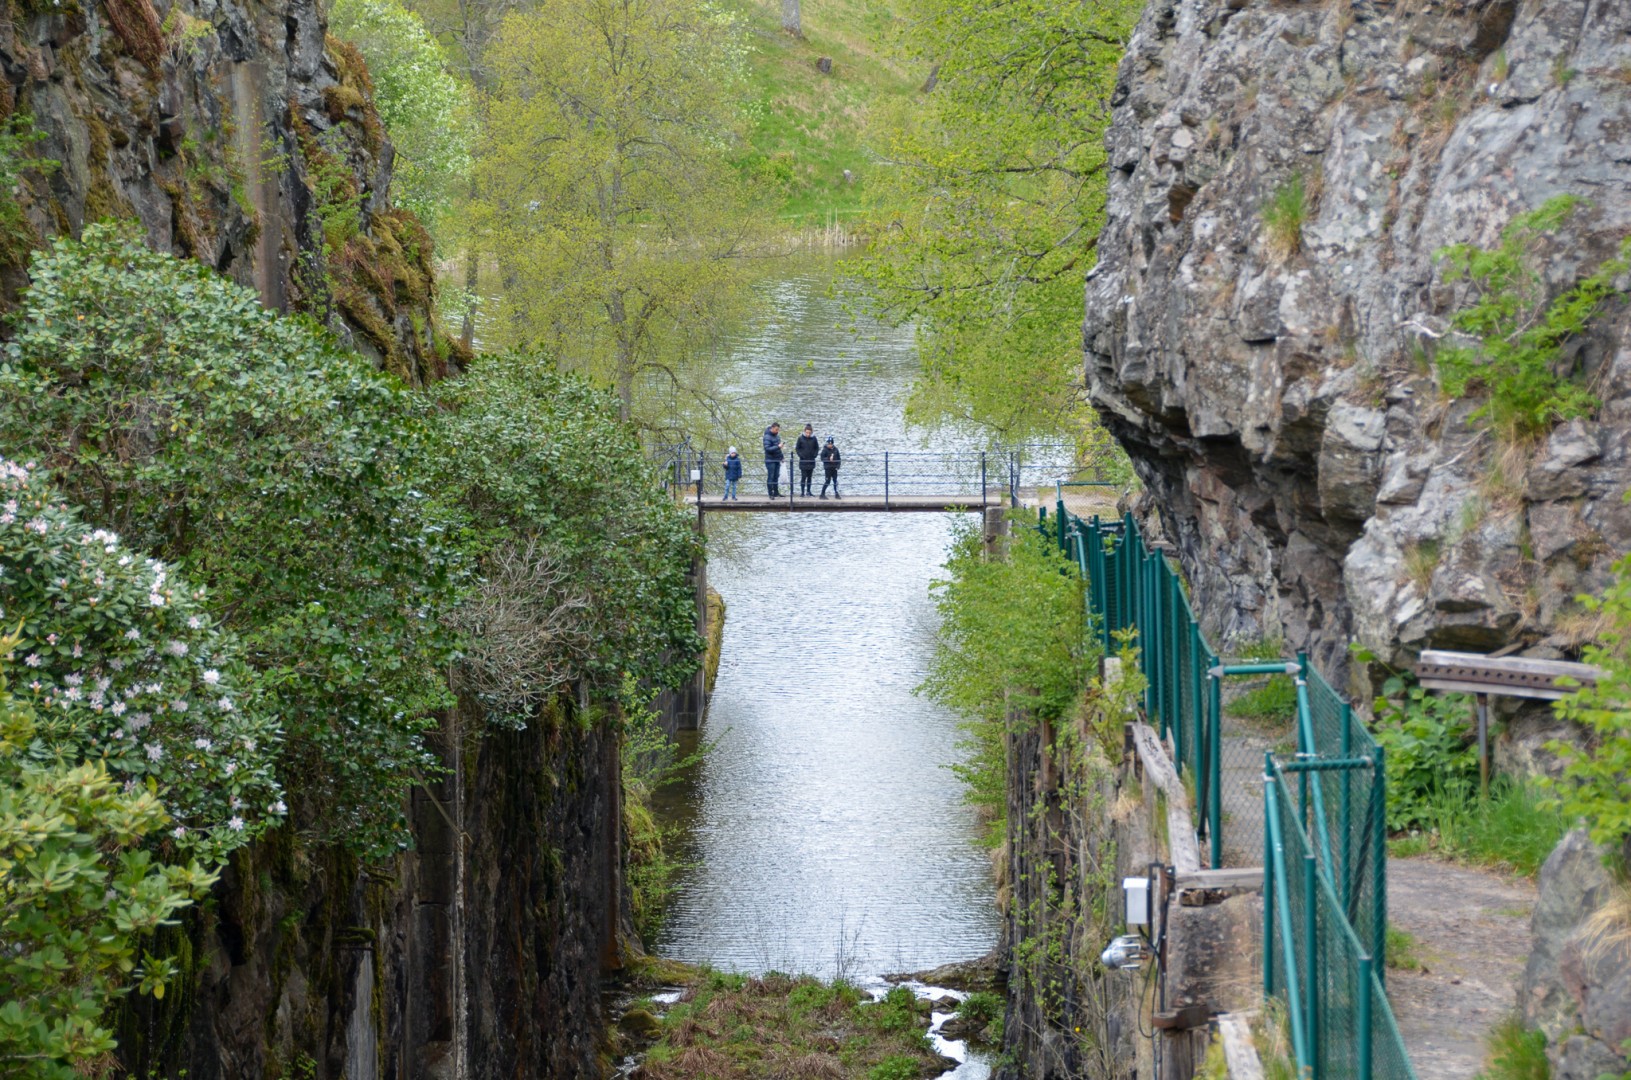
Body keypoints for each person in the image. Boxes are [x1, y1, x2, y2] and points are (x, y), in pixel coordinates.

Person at [794, 424, 820, 497]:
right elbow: (797, 448)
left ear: (811, 432)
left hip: (811, 460)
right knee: (803, 477)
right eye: (807, 432)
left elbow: (817, 448)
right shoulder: (800, 438)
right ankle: (802, 492)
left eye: (809, 433)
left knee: (809, 477)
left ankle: (808, 491)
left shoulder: (814, 439)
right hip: (803, 460)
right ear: (804, 432)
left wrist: (815, 455)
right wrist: (801, 455)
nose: (808, 434)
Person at [762, 422, 784, 497]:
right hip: (770, 460)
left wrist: (781, 456)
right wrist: (778, 446)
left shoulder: (777, 436)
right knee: (771, 477)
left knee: (776, 476)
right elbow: (767, 449)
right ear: (772, 428)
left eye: (778, 430)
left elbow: (779, 449)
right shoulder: (767, 437)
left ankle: (776, 492)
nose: (777, 431)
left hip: (777, 459)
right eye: (776, 429)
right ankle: (770, 493)